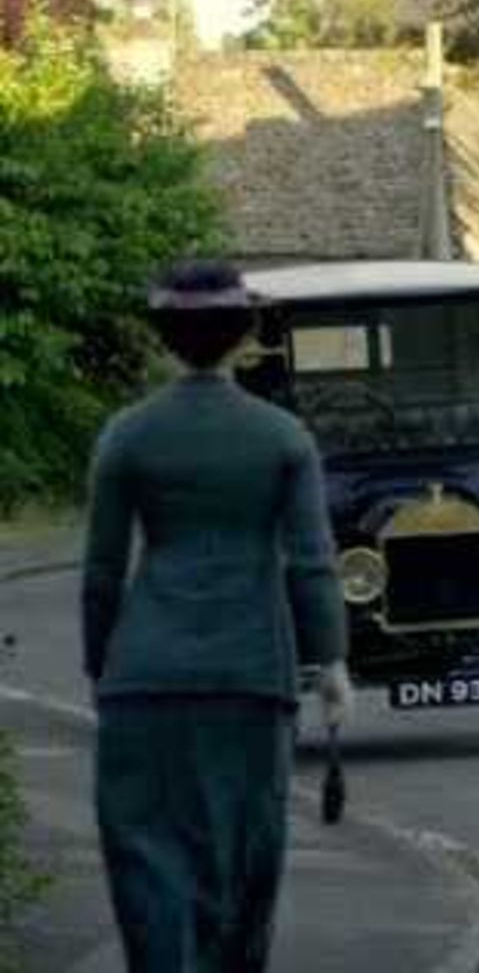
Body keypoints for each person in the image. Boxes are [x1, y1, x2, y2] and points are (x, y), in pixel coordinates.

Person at [82, 261, 352, 972]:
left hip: (141, 679)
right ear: (242, 335)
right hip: (250, 679)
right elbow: (309, 561)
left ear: (165, 337)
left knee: (146, 854)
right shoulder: (283, 437)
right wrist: (331, 663)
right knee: (243, 855)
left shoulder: (127, 435)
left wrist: (98, 663)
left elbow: (103, 569)